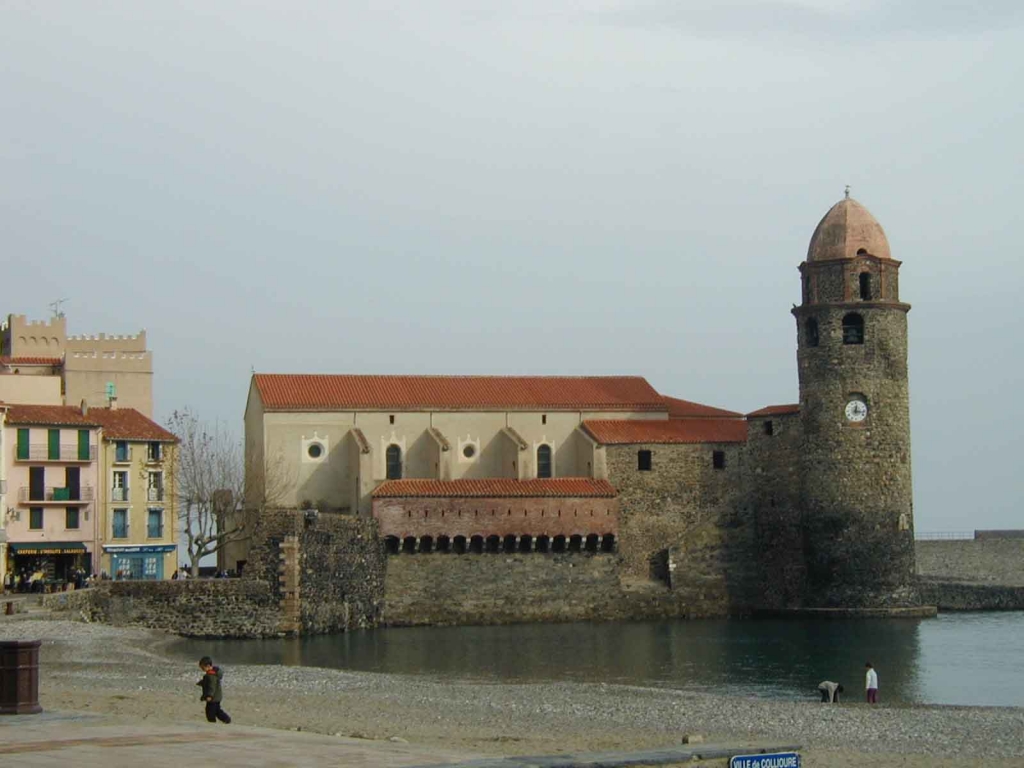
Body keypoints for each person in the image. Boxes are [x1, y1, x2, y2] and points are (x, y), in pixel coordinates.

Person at [196, 656, 231, 724]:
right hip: (216, 697)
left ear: (208, 666)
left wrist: (209, 696)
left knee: (210, 711)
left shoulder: (211, 675)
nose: (202, 669)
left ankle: (214, 722)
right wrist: (202, 683)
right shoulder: (211, 674)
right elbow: (208, 683)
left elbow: (212, 686)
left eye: (203, 668)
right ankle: (226, 719)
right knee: (217, 710)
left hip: (213, 698)